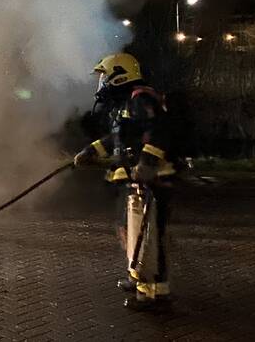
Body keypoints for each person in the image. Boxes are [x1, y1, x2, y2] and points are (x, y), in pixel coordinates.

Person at [73, 53, 178, 311]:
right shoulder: (126, 104)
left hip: (152, 183)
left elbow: (159, 131)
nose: (103, 84)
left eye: (106, 77)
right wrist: (92, 150)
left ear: (120, 75)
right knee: (131, 233)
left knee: (148, 238)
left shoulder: (141, 98)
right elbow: (118, 138)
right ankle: (139, 278)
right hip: (136, 183)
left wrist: (147, 164)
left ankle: (153, 295)